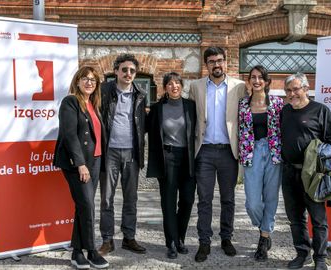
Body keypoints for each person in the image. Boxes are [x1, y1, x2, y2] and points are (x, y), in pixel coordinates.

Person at [189, 46, 247, 262]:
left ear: (226, 62)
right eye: (212, 61)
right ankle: (204, 242)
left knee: (228, 199)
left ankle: (226, 238)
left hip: (228, 152)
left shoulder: (239, 87)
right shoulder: (196, 87)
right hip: (203, 151)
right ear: (207, 65)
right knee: (204, 199)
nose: (216, 64)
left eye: (220, 60)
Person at [280, 73, 331, 270]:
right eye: (288, 90)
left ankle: (321, 258)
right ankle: (302, 254)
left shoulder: (320, 110)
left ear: (306, 89)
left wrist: (325, 169)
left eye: (296, 89)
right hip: (289, 173)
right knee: (295, 218)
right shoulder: (285, 111)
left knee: (318, 219)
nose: (292, 94)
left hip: (313, 175)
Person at [53, 66, 109, 269]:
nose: (89, 82)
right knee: (87, 205)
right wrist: (80, 164)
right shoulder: (71, 102)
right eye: (85, 79)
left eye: (93, 80)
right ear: (77, 81)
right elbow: (69, 135)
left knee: (83, 206)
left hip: (95, 161)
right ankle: (92, 251)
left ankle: (77, 252)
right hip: (77, 164)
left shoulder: (93, 104)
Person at [98, 53, 147, 255]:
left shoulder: (140, 94)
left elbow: (141, 123)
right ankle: (107, 240)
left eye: (132, 71)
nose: (128, 73)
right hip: (109, 152)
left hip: (131, 152)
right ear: (116, 71)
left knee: (131, 198)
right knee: (107, 198)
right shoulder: (104, 91)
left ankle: (129, 237)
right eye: (124, 69)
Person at [146, 72, 197, 259]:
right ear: (165, 87)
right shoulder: (158, 108)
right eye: (170, 83)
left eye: (177, 83)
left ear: (181, 86)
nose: (174, 86)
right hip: (167, 157)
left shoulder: (191, 106)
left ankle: (180, 237)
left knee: (187, 200)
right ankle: (172, 243)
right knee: (168, 202)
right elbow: (143, 127)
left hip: (188, 158)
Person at [238, 65, 284, 262]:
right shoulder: (242, 104)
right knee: (253, 202)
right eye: (253, 77)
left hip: (274, 153)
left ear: (266, 81)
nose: (256, 81)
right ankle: (263, 225)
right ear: (249, 81)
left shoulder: (278, 103)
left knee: (271, 197)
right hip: (251, 153)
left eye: (260, 77)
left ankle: (264, 239)